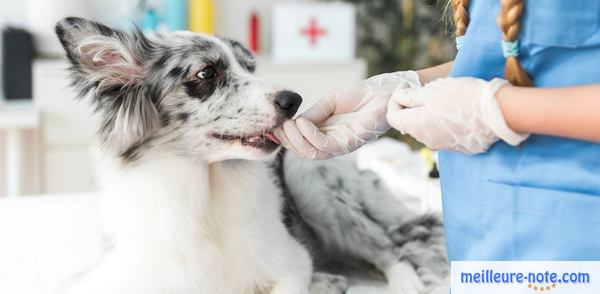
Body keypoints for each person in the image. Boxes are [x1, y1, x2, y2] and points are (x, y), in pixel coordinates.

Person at [275, 0, 600, 261]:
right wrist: (407, 84)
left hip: (574, 235)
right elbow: (515, 56)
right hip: (481, 234)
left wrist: (500, 109)